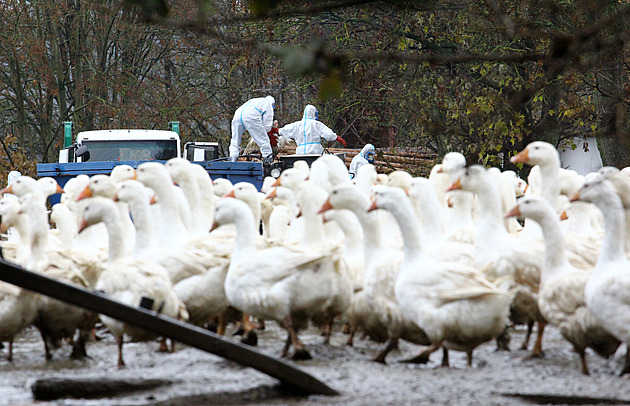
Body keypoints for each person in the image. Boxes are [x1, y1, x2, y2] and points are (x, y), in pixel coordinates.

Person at [278, 104, 346, 154]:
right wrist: (338, 138)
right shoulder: (316, 124)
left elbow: (284, 130)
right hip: (315, 152)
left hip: (300, 153)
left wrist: (276, 130)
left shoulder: (296, 125)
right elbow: (328, 134)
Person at [230, 95, 276, 162]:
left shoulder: (256, 100)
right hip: (251, 115)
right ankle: (268, 158)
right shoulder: (268, 104)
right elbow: (267, 126)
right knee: (263, 140)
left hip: (237, 114)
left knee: (235, 139)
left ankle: (233, 157)